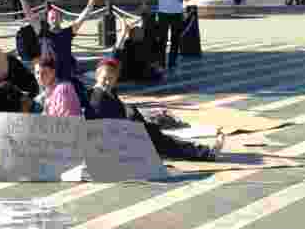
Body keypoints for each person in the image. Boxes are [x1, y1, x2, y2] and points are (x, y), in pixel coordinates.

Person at [89, 57, 221, 160]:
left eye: (111, 79)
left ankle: (204, 151)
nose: (107, 82)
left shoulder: (108, 92)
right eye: (105, 78)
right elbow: (108, 124)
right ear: (97, 76)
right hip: (113, 141)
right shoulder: (97, 96)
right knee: (160, 140)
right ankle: (205, 153)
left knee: (160, 137)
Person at [150, 0, 188, 76]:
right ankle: (161, 62)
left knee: (175, 39)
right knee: (162, 39)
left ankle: (172, 62)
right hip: (162, 14)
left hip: (177, 13)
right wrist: (149, 4)